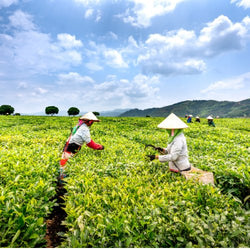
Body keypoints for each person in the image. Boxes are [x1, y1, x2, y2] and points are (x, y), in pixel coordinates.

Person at [58, 112, 104, 182]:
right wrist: (99, 147)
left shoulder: (79, 125)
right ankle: (62, 181)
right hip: (73, 146)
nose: (92, 124)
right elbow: (89, 143)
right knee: (66, 161)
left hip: (69, 144)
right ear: (90, 121)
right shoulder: (84, 129)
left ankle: (61, 178)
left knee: (64, 161)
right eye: (92, 122)